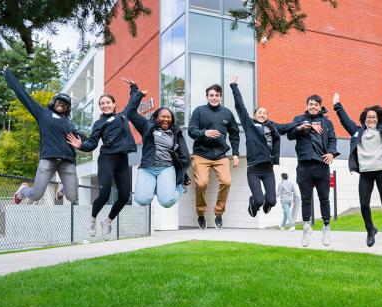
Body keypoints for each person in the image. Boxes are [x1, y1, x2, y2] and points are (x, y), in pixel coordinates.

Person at [66, 82, 143, 240]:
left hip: (122, 159)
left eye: (108, 102)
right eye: (102, 103)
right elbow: (93, 143)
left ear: (114, 104)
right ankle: (93, 219)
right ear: (100, 107)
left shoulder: (123, 115)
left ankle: (107, 221)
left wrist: (134, 87)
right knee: (104, 194)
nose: (105, 105)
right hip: (107, 159)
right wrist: (81, 145)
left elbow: (134, 100)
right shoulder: (98, 123)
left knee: (124, 196)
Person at [333, 80, 382, 251]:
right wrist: (337, 105)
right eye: (368, 117)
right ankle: (370, 230)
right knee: (364, 203)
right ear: (364, 119)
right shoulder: (357, 131)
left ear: (378, 119)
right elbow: (344, 120)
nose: (371, 118)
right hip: (366, 173)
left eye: (374, 117)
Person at [4, 66, 82, 205]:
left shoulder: (69, 124)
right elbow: (24, 96)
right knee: (35, 195)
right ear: (54, 102)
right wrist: (8, 75)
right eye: (59, 102)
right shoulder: (43, 113)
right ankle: (22, 190)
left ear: (68, 109)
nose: (61, 105)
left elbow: (84, 139)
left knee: (73, 198)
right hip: (49, 159)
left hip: (67, 162)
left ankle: (60, 191)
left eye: (65, 105)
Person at [230, 76, 295, 217]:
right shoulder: (249, 125)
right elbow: (240, 107)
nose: (262, 114)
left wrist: (301, 124)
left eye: (265, 113)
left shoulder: (273, 127)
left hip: (268, 169)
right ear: (254, 115)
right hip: (253, 169)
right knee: (258, 200)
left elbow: (286, 127)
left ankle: (267, 205)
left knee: (271, 200)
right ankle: (253, 204)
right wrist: (234, 86)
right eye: (259, 112)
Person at [123, 79, 191, 210]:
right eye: (163, 116)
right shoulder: (146, 127)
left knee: (166, 202)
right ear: (156, 117)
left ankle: (180, 188)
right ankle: (157, 187)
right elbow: (130, 112)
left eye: (169, 117)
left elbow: (183, 156)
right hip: (147, 168)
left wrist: (183, 175)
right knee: (141, 200)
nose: (166, 119)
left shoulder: (175, 133)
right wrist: (136, 92)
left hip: (166, 168)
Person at [288, 94, 339, 247]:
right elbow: (291, 135)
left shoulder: (327, 122)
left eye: (316, 105)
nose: (313, 107)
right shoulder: (298, 119)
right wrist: (301, 127)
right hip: (304, 165)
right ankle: (306, 228)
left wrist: (331, 152)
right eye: (311, 104)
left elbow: (332, 139)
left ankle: (326, 227)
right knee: (305, 199)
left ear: (320, 107)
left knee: (324, 198)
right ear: (306, 105)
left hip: (322, 164)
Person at [188, 83, 240, 230]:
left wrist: (235, 153)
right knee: (201, 183)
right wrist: (204, 132)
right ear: (207, 97)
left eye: (217, 95)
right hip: (201, 154)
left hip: (220, 155)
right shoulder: (199, 111)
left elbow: (235, 134)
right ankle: (200, 213)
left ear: (220, 97)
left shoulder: (227, 113)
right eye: (211, 95)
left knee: (226, 181)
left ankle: (218, 213)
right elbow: (191, 131)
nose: (214, 98)